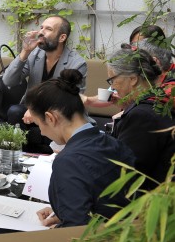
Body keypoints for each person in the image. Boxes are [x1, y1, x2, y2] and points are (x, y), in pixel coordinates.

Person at [25, 70, 135, 228]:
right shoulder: (113, 143)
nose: (41, 132)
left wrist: (63, 221)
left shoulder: (68, 161)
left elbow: (75, 231)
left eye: (38, 124)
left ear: (50, 118)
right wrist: (62, 211)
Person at [2, 15, 87, 153]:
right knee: (15, 111)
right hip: (32, 109)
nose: (41, 32)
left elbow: (68, 100)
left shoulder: (76, 63)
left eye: (48, 29)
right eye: (41, 27)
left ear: (62, 38)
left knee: (57, 118)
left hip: (60, 111)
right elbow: (8, 81)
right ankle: (19, 156)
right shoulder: (34, 54)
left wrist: (35, 108)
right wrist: (25, 52)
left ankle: (53, 159)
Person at [107, 47, 175, 186]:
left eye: (112, 80)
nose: (112, 87)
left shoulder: (142, 116)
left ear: (132, 79)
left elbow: (125, 173)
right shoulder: (161, 100)